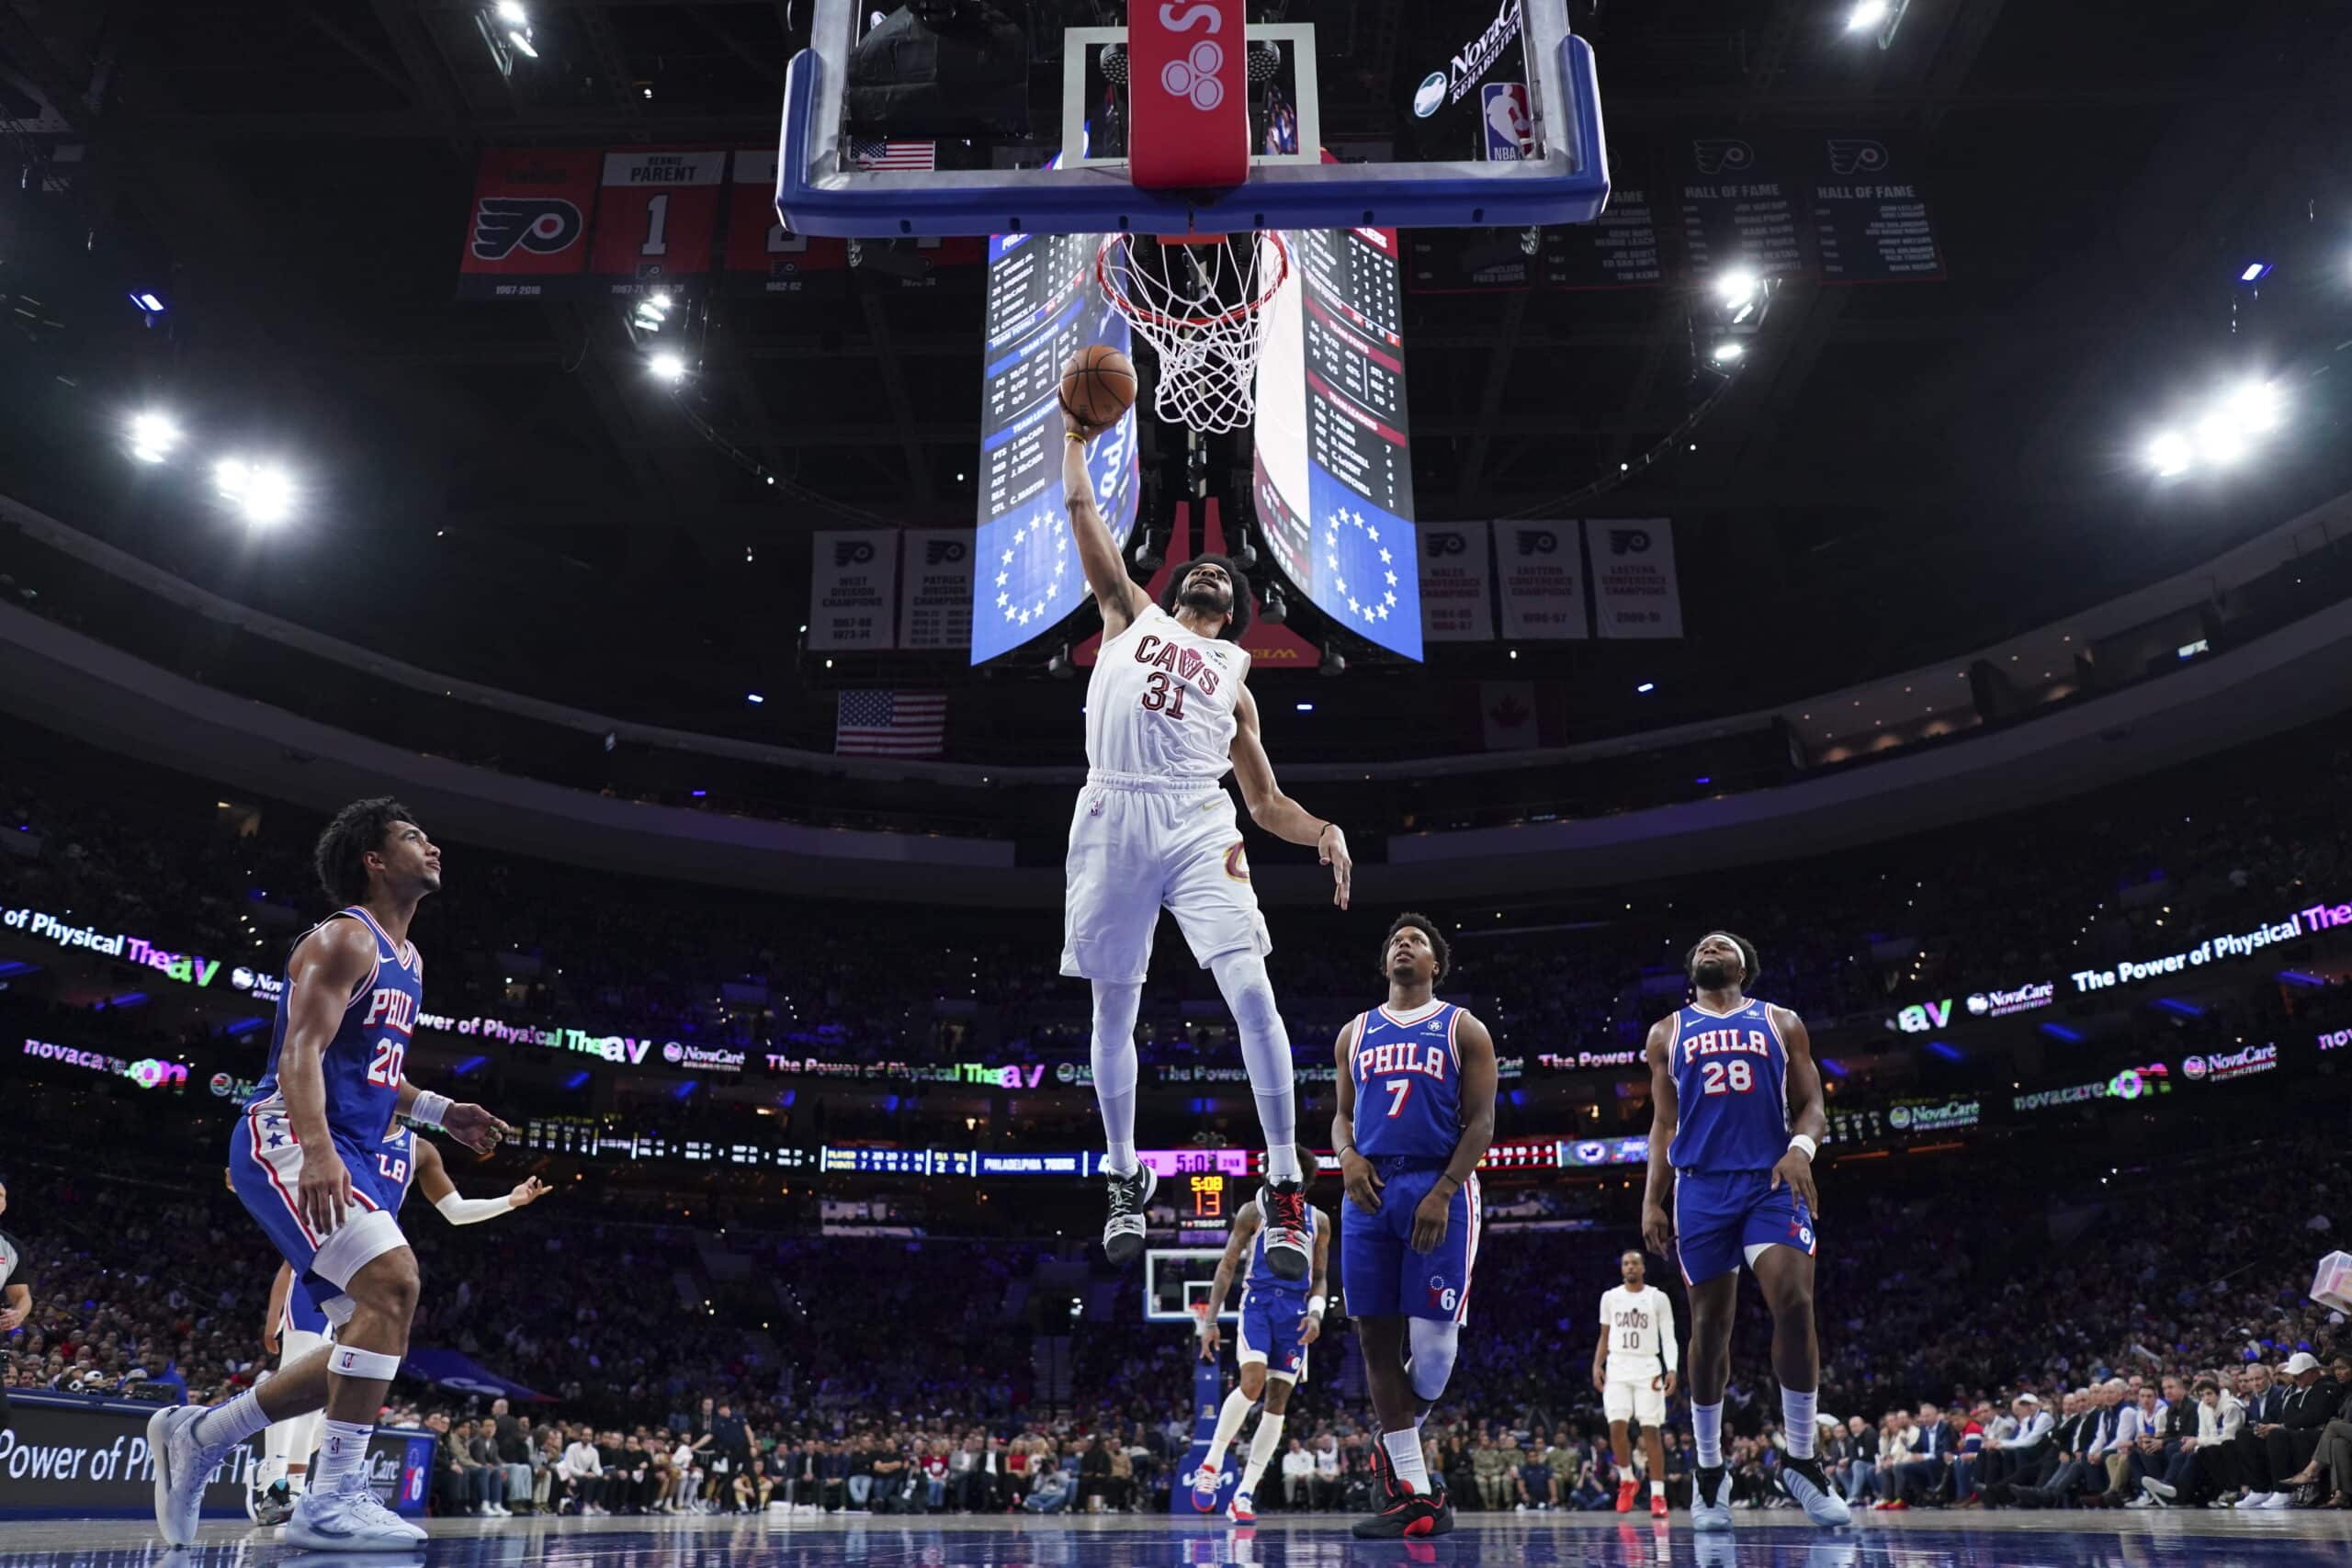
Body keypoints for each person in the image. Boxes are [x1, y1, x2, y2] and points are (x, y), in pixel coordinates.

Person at [149, 798, 511, 1550]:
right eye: (414, 835)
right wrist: (316, 1150)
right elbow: (300, 1053)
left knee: (365, 1340)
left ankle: (201, 1435)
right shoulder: (345, 937)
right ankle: (331, 1497)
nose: (433, 842)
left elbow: (378, 1072)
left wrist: (444, 1112)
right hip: (288, 1133)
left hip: (345, 1139)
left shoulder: (408, 960)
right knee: (397, 1283)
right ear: (374, 860)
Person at [1058, 406, 1352, 1276]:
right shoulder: (1129, 615)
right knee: (1115, 1005)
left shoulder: (1237, 682)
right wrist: (1074, 439)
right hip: (1112, 814)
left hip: (1196, 822)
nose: (1215, 574)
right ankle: (1123, 1176)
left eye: (1228, 577)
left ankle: (1288, 1183)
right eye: (1204, 569)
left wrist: (1326, 829)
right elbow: (1084, 514)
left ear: (1236, 611)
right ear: (1181, 588)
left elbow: (1265, 803)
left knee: (1253, 991)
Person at [1640, 931, 1849, 1531]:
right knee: (1709, 1327)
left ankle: (1802, 1460)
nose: (1710, 946)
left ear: (1744, 965)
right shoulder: (1666, 1032)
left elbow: (1812, 1104)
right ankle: (1710, 1471)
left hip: (1770, 1179)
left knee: (1794, 1299)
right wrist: (1651, 1199)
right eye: (1701, 945)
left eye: (1722, 943)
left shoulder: (1782, 1022)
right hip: (1700, 1187)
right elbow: (1662, 1123)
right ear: (1691, 968)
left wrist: (1802, 1149)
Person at [248, 1134, 550, 1525]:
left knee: (339, 1386)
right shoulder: (337, 1128)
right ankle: (274, 1484)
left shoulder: (418, 1149)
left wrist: (510, 1201)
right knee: (297, 1374)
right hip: (318, 1263)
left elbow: (455, 1211)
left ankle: (294, 1481)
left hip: (368, 1274)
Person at [1332, 913, 1499, 1540]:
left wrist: (1446, 1188)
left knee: (1434, 1352)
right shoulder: (1355, 1032)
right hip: (1369, 1187)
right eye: (1396, 938)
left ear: (1436, 964)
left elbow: (1481, 1122)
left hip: (1437, 1183)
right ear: (1386, 964)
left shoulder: (1463, 1027)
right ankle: (1416, 1492)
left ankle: (1395, 1446)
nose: (1405, 942)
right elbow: (1341, 1117)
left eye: (1418, 940)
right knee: (1374, 1339)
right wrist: (1346, 1158)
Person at [1190, 1145, 1333, 1522]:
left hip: (1297, 1312)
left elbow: (1319, 1278)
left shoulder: (1318, 1220)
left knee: (1277, 1403)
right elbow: (1226, 1266)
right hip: (1259, 1303)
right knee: (1251, 1384)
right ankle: (1212, 1463)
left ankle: (1244, 1494)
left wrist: (1316, 1315)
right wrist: (1210, 1320)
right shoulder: (1253, 1210)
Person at [1592, 1247, 1679, 1517]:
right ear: (1622, 1269)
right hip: (1618, 1365)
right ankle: (1627, 1479)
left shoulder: (1657, 1298)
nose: (1629, 1267)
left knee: (1650, 1430)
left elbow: (1668, 1337)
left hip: (1647, 1366)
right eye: (1625, 1263)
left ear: (1643, 1268)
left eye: (1634, 1263)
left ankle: (1657, 1495)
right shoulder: (1610, 1298)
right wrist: (1597, 1364)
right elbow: (1604, 1336)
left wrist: (1672, 1369)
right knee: (1616, 1427)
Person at [0, 1179, 26, 1428]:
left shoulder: (11, 1247)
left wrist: (18, 1314)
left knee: (1, 1414)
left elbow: (21, 1296)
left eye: (1, 1195)